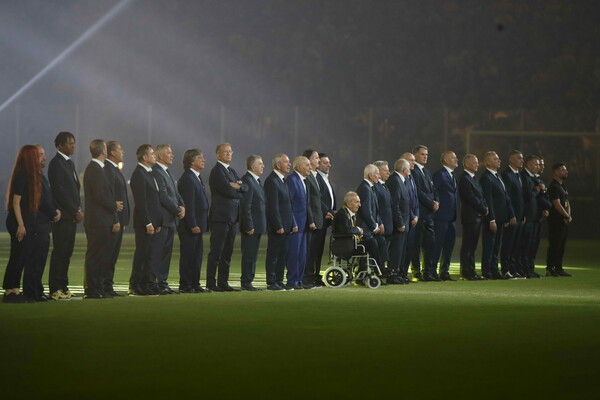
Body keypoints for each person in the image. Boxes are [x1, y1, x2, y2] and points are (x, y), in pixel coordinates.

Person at [3, 145, 60, 303]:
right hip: (20, 222)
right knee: (18, 257)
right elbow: (16, 202)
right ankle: (10, 292)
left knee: (24, 257)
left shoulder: (35, 175)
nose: (43, 157)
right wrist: (21, 225)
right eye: (39, 154)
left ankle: (20, 290)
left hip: (28, 223)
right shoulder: (23, 174)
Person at [82, 140, 123, 299]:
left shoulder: (98, 169)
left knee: (101, 256)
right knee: (95, 256)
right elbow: (100, 195)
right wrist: (114, 206)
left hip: (102, 220)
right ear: (104, 151)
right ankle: (93, 289)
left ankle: (98, 287)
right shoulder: (95, 169)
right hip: (97, 221)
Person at [206, 143, 247, 292]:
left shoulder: (231, 170)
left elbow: (245, 188)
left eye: (231, 151)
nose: (229, 154)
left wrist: (237, 186)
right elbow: (227, 191)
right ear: (218, 155)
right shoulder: (217, 171)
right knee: (216, 252)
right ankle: (211, 283)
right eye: (226, 152)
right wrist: (236, 187)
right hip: (220, 217)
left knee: (227, 253)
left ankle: (223, 282)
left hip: (232, 217)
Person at [48, 131, 82, 300]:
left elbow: (74, 189)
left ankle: (63, 286)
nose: (73, 146)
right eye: (69, 143)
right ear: (60, 145)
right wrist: (75, 210)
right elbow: (59, 191)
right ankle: (55, 288)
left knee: (67, 252)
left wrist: (78, 209)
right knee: (60, 251)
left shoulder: (69, 163)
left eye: (73, 142)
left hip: (71, 216)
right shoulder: (56, 164)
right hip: (63, 216)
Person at [129, 144, 163, 295]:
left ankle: (145, 284)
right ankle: (135, 285)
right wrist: (148, 222)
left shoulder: (149, 173)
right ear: (144, 157)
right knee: (142, 255)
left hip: (153, 223)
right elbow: (141, 202)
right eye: (151, 153)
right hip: (144, 223)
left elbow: (154, 201)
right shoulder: (139, 174)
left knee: (149, 255)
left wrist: (157, 222)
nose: (154, 155)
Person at [152, 144, 185, 294]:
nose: (172, 155)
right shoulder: (157, 171)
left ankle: (163, 282)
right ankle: (155, 283)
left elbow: (175, 193)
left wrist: (182, 205)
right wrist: (177, 209)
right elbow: (163, 196)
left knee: (166, 254)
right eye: (169, 153)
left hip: (170, 220)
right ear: (160, 156)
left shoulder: (167, 172)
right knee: (158, 253)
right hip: (163, 220)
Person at [177, 149, 210, 293]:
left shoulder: (196, 177)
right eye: (200, 157)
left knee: (197, 256)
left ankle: (195, 283)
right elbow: (188, 204)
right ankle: (186, 284)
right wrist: (193, 224)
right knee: (189, 256)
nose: (203, 159)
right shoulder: (188, 178)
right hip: (190, 226)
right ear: (191, 161)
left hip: (198, 224)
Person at [480, 151, 516, 280]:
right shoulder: (486, 178)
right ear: (488, 162)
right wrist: (491, 219)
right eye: (495, 159)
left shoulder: (498, 176)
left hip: (501, 218)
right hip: (493, 219)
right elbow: (488, 201)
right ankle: (486, 271)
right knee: (489, 246)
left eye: (499, 158)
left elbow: (506, 197)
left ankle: (494, 270)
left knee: (496, 247)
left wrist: (509, 216)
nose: (499, 160)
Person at [264, 154, 297, 291]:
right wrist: (278, 225)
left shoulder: (282, 180)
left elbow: (288, 205)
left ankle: (279, 280)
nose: (289, 164)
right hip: (278, 226)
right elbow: (273, 206)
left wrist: (292, 223)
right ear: (278, 165)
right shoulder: (272, 181)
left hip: (287, 225)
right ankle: (271, 282)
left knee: (283, 254)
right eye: (286, 162)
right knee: (274, 254)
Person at [104, 141, 130, 296]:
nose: (123, 152)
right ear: (112, 153)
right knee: (108, 255)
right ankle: (104, 285)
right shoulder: (108, 169)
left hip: (119, 220)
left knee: (112, 256)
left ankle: (108, 285)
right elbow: (111, 196)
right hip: (113, 220)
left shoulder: (114, 169)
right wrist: (115, 219)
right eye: (120, 149)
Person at [285, 156, 315, 290]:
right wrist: (293, 222)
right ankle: (292, 280)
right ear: (298, 167)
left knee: (302, 253)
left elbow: (306, 204)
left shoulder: (304, 181)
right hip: (296, 224)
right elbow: (289, 204)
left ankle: (299, 280)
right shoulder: (292, 180)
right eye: (307, 165)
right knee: (294, 253)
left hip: (304, 224)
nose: (310, 167)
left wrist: (310, 221)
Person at [411, 145, 440, 281]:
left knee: (430, 244)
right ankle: (417, 272)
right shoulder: (414, 171)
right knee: (416, 244)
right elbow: (418, 192)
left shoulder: (427, 172)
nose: (425, 157)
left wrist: (437, 201)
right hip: (421, 213)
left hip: (429, 215)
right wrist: (431, 203)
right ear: (415, 155)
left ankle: (428, 271)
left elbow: (433, 189)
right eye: (422, 154)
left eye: (426, 154)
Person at [457, 154, 488, 280]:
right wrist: (483, 208)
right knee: (468, 246)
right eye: (474, 162)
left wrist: (484, 208)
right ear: (467, 164)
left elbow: (481, 196)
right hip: (470, 217)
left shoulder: (473, 178)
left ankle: (471, 271)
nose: (477, 164)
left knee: (472, 246)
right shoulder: (464, 178)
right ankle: (466, 272)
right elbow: (471, 198)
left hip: (477, 217)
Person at [373, 160, 404, 284]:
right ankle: (377, 275)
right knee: (379, 253)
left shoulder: (384, 186)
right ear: (378, 172)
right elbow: (375, 208)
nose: (388, 172)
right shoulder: (375, 187)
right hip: (381, 226)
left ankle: (383, 274)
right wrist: (378, 223)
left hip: (387, 226)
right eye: (385, 170)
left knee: (383, 252)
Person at [239, 154, 266, 291]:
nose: (263, 166)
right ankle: (246, 282)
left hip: (257, 225)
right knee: (249, 254)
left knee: (253, 254)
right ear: (252, 166)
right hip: (252, 226)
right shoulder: (248, 181)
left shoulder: (255, 181)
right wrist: (249, 225)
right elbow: (246, 205)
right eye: (260, 164)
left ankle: (249, 280)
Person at [356, 164, 388, 274]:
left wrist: (379, 223)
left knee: (381, 242)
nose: (379, 176)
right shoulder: (365, 188)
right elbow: (366, 211)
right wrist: (374, 227)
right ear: (370, 176)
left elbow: (374, 210)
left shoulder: (369, 188)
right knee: (373, 246)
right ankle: (377, 271)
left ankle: (378, 270)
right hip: (365, 229)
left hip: (369, 228)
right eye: (377, 174)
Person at [432, 151, 459, 281]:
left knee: (449, 246)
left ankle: (444, 271)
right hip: (441, 217)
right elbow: (433, 192)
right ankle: (432, 271)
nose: (456, 159)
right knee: (437, 245)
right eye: (453, 158)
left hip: (451, 218)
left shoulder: (452, 175)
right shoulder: (440, 175)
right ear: (446, 161)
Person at [385, 158, 411, 283]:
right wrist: (400, 223)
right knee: (395, 250)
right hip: (398, 224)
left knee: (400, 250)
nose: (410, 170)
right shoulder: (395, 181)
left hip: (404, 223)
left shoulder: (401, 180)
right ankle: (392, 274)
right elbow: (395, 204)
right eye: (409, 168)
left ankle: (397, 273)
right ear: (404, 169)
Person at [500, 150, 525, 278]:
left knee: (516, 244)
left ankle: (513, 268)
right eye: (519, 158)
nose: (522, 160)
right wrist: (510, 215)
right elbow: (507, 197)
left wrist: (523, 214)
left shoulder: (518, 175)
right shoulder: (507, 175)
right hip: (512, 217)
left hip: (520, 216)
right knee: (508, 244)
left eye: (522, 158)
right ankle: (506, 269)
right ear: (511, 159)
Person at [312, 153, 336, 286]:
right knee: (314, 249)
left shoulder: (324, 178)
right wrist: (326, 211)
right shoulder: (317, 178)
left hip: (326, 219)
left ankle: (316, 274)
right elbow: (318, 199)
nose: (329, 165)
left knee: (319, 249)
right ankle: (312, 275)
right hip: (319, 218)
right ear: (319, 164)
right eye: (326, 163)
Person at [302, 149, 324, 289]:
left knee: (314, 251)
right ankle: (306, 278)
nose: (318, 160)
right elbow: (308, 201)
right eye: (316, 158)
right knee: (309, 252)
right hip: (312, 221)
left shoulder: (314, 176)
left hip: (318, 219)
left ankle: (310, 277)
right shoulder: (308, 177)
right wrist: (311, 220)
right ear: (308, 160)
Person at [518, 155, 543, 278]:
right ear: (528, 165)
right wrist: (538, 189)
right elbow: (528, 195)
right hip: (527, 216)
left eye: (539, 165)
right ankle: (523, 268)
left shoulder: (533, 177)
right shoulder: (524, 176)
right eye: (536, 164)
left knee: (532, 245)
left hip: (534, 217)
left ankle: (529, 268)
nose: (538, 167)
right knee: (525, 245)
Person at [546, 163, 572, 277]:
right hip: (556, 220)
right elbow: (556, 204)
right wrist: (566, 216)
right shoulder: (553, 186)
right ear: (555, 172)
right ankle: (550, 268)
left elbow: (567, 203)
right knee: (555, 244)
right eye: (562, 170)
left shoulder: (562, 186)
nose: (566, 172)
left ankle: (559, 267)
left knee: (561, 245)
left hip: (563, 220)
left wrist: (568, 215)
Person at [399, 152, 420, 281]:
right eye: (411, 160)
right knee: (403, 248)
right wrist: (413, 216)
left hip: (413, 219)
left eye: (414, 160)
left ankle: (404, 273)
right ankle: (400, 272)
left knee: (410, 247)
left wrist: (416, 215)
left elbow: (415, 199)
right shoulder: (402, 179)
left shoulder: (411, 177)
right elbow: (404, 202)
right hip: (407, 219)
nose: (414, 162)